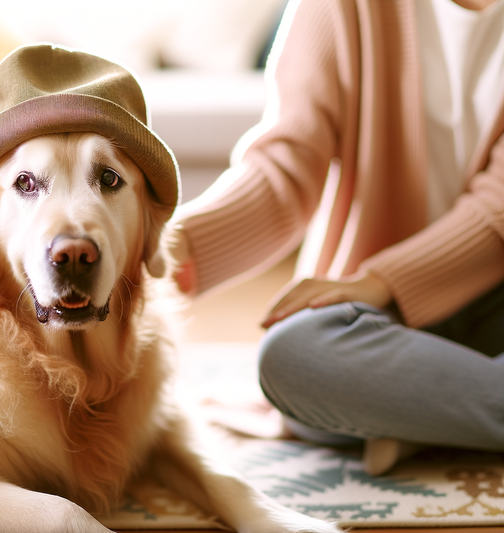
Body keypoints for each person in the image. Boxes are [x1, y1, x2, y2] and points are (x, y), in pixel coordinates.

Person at [169, 0, 504, 475]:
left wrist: (381, 280)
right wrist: (177, 244)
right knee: (293, 358)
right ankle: (448, 415)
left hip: (489, 300)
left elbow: (498, 209)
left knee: (320, 409)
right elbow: (286, 168)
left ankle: (420, 419)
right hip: (382, 319)